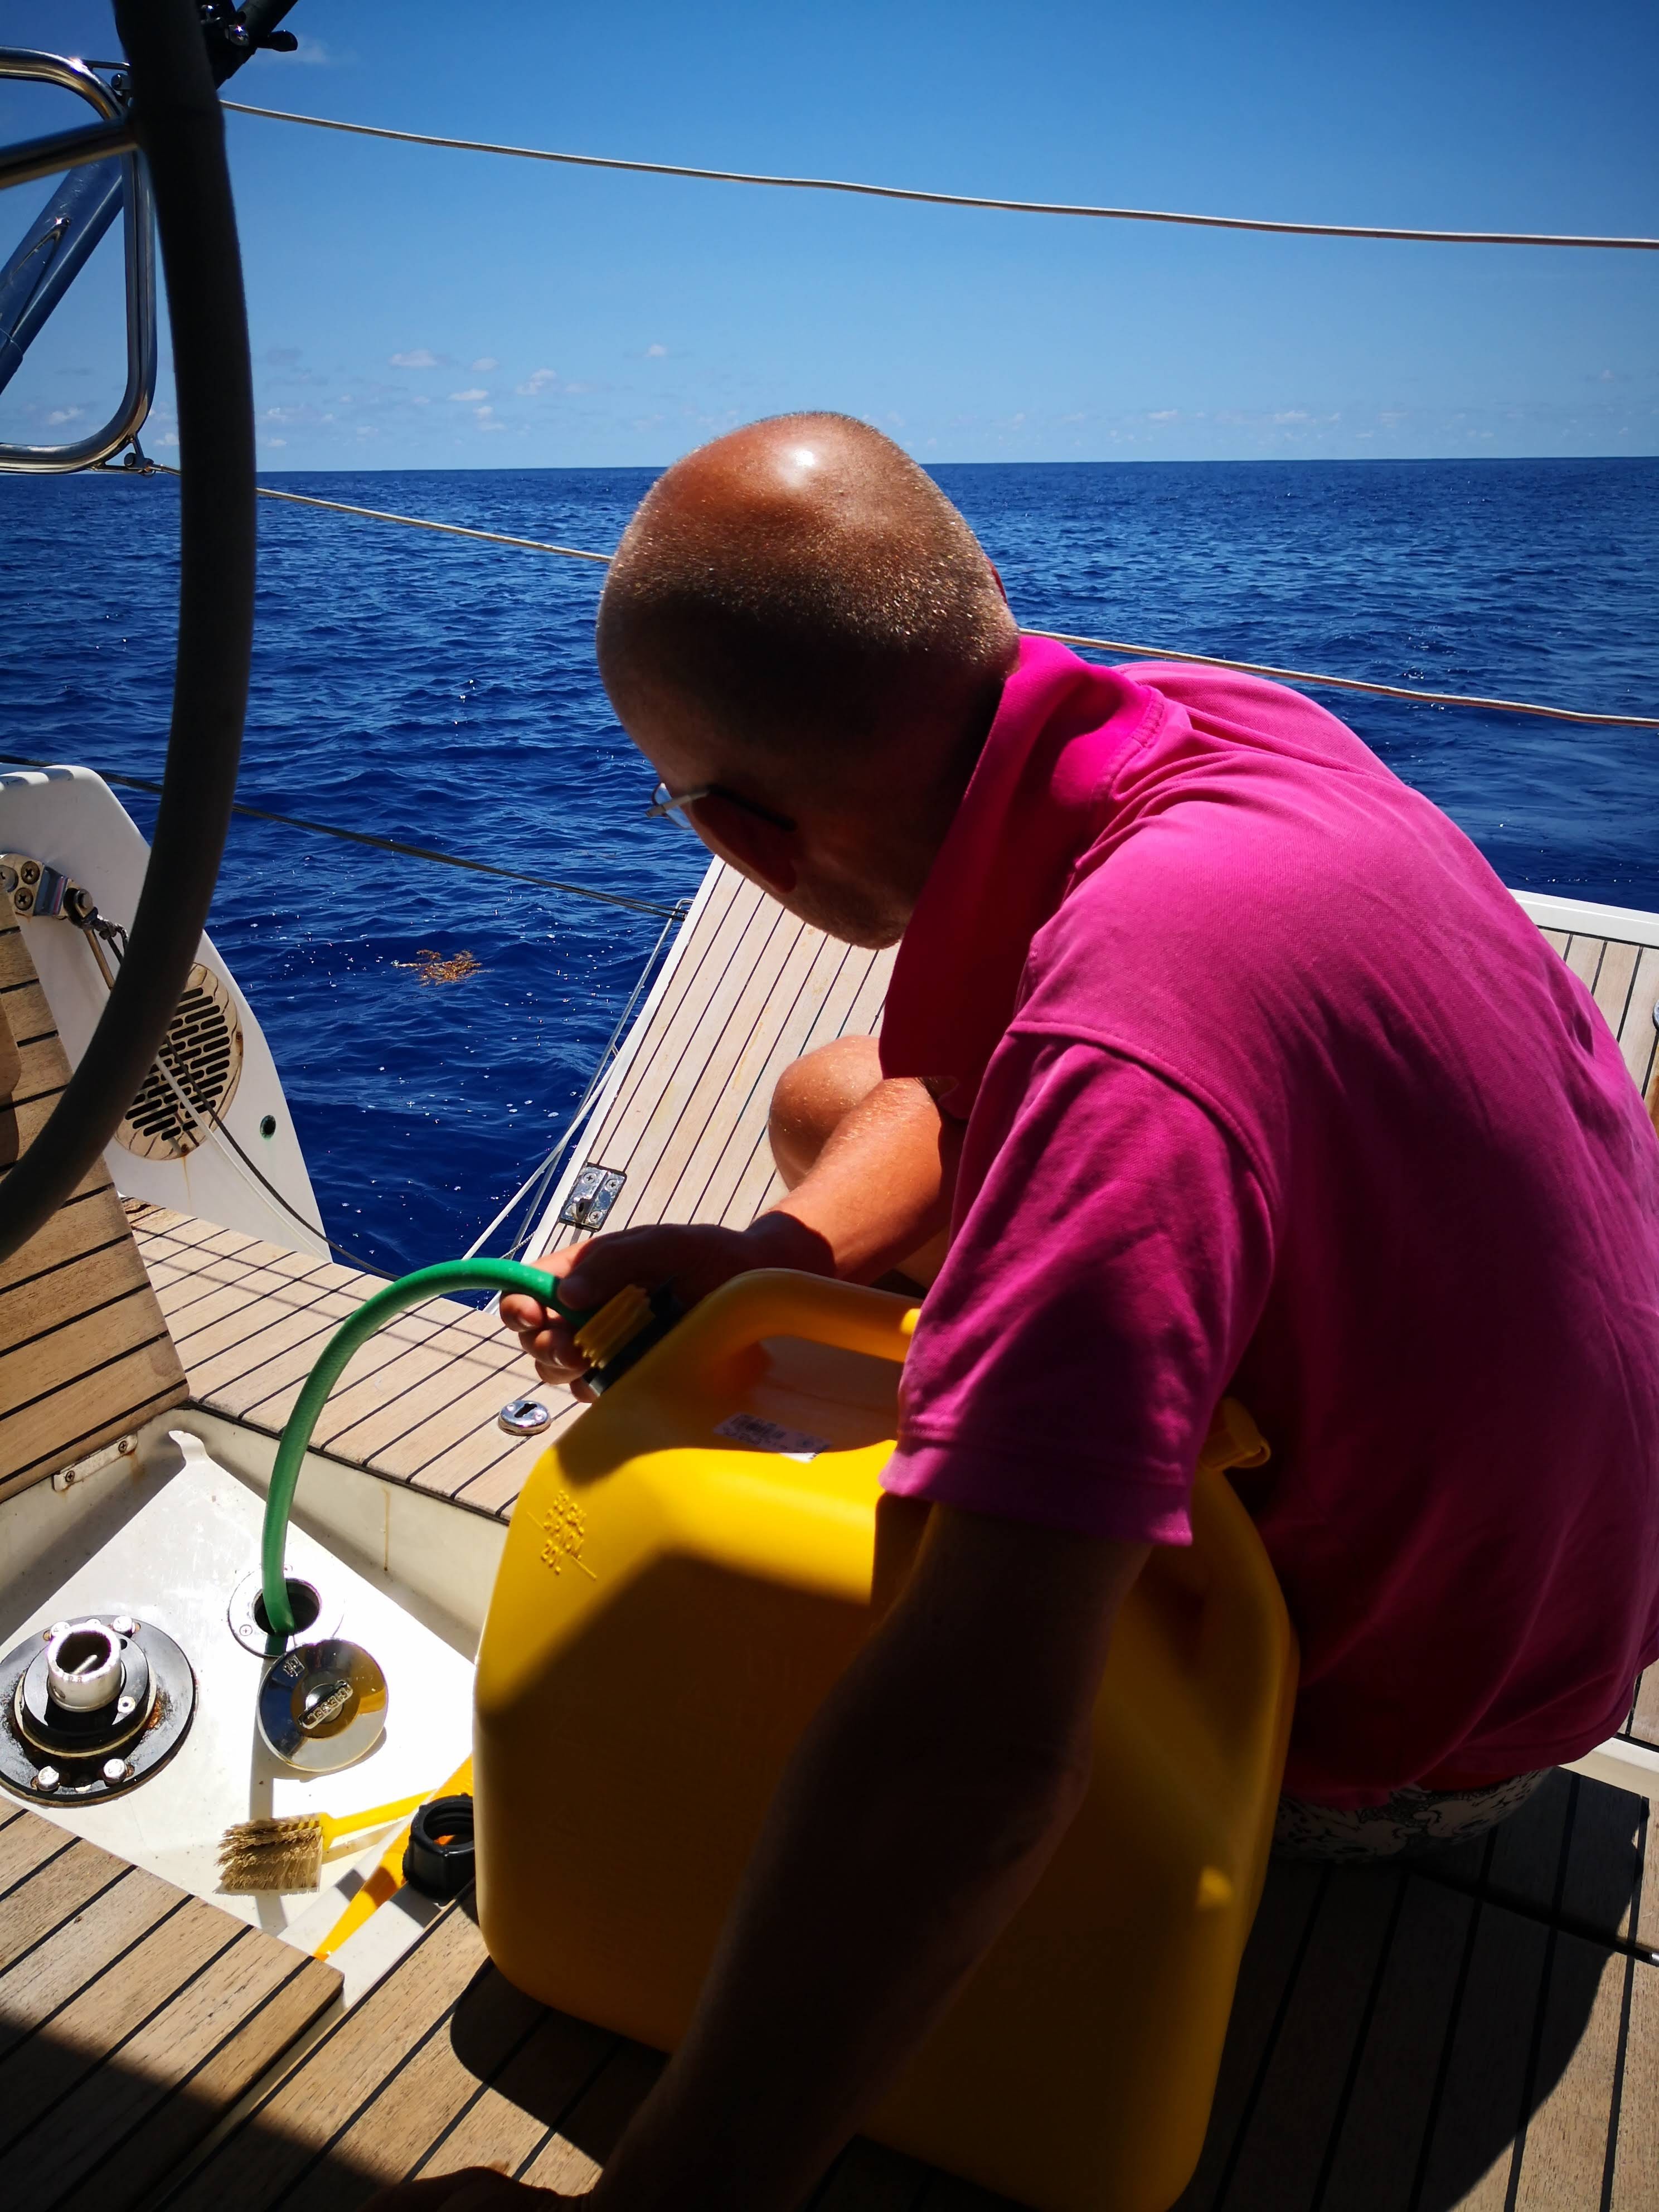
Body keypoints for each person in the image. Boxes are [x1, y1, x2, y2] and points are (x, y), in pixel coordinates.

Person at [375, 414, 1659, 2212]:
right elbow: (968, 1079)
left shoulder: (1126, 1055)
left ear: (745, 841)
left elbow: (974, 1758)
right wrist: (783, 1260)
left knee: (813, 1678)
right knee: (836, 1101)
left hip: (1412, 1746)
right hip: (1574, 1593)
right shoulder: (1207, 727)